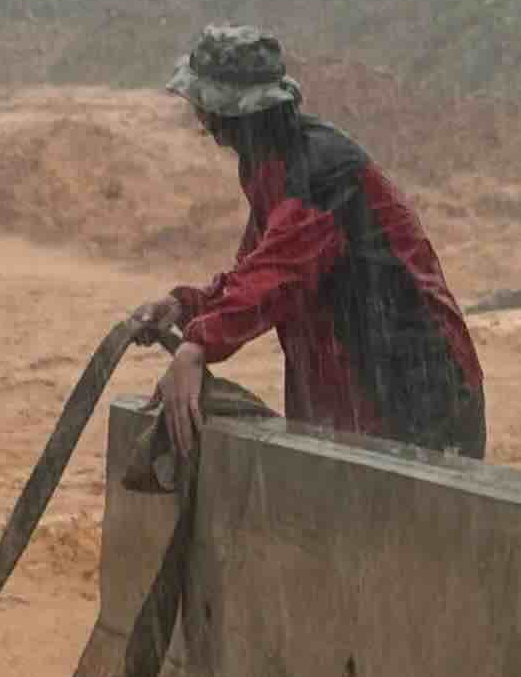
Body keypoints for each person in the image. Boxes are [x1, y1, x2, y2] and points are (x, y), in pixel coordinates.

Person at [136, 24, 485, 462]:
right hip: (355, 390)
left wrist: (197, 345)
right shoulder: (270, 166)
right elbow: (254, 271)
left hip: (416, 392)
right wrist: (187, 306)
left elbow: (278, 275)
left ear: (225, 112)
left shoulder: (321, 172)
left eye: (202, 109)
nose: (201, 124)